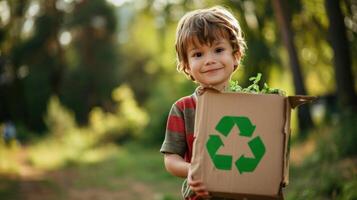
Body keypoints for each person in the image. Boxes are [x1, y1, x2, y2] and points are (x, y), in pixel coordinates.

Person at [160, 6, 246, 200]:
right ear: (186, 65)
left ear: (235, 55)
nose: (209, 60)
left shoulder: (250, 104)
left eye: (218, 50)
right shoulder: (183, 109)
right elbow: (171, 158)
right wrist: (191, 170)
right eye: (198, 54)